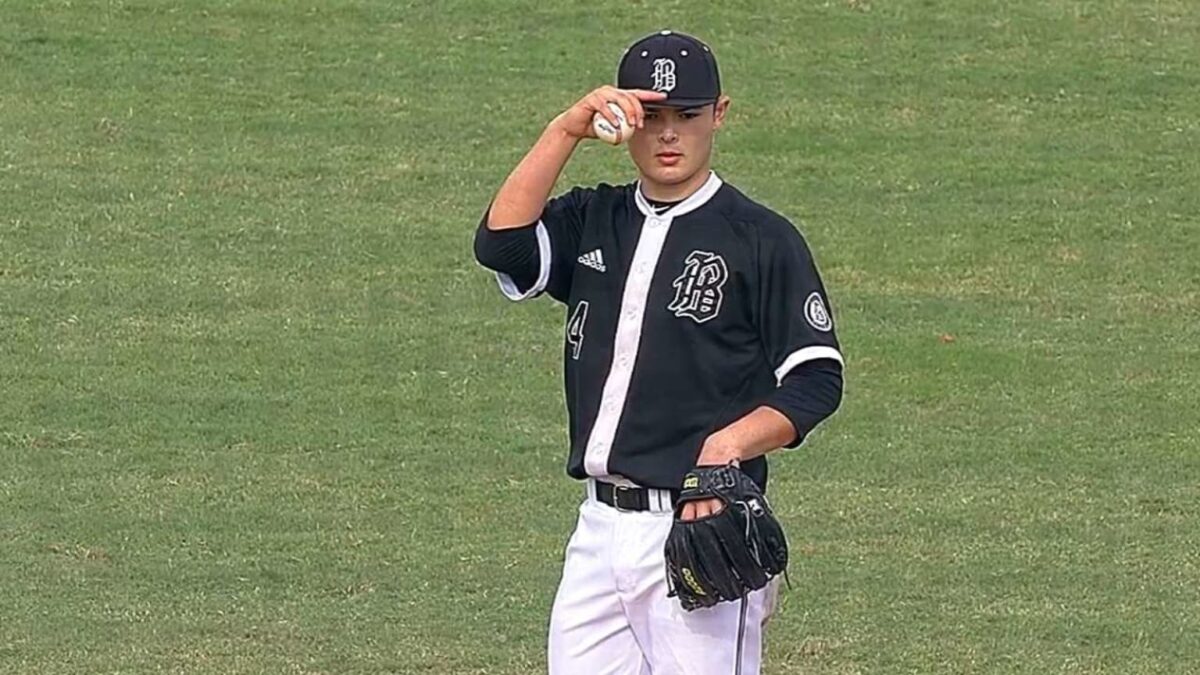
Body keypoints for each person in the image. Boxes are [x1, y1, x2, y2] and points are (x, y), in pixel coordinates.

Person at [474, 29, 844, 675]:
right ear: (624, 118)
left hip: (698, 523)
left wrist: (724, 447)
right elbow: (502, 246)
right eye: (652, 117)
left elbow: (815, 380)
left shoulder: (760, 238)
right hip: (599, 528)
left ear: (719, 114)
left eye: (687, 116)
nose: (668, 135)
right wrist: (564, 130)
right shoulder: (595, 218)